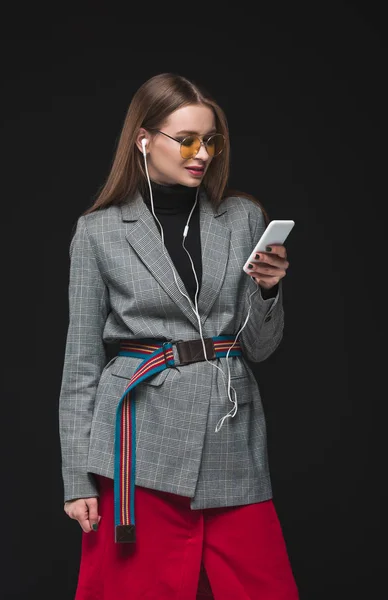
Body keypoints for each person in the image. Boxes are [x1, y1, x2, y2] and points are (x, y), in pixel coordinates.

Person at [59, 72, 299, 599]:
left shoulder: (241, 218)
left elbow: (258, 348)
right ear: (144, 139)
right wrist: (76, 478)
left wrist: (266, 291)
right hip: (138, 441)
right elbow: (80, 364)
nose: (202, 153)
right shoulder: (98, 231)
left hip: (229, 431)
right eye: (186, 139)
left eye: (210, 140)